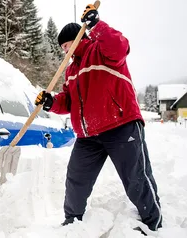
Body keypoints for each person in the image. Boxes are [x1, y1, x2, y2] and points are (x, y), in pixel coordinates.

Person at [34, 3, 162, 232]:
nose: (64, 51)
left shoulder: (101, 50)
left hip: (120, 124)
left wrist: (97, 26)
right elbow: (69, 101)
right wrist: (52, 102)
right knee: (76, 178)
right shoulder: (71, 70)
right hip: (88, 135)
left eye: (66, 45)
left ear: (78, 38)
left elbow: (120, 47)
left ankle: (154, 223)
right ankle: (72, 222)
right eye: (62, 47)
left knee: (136, 179)